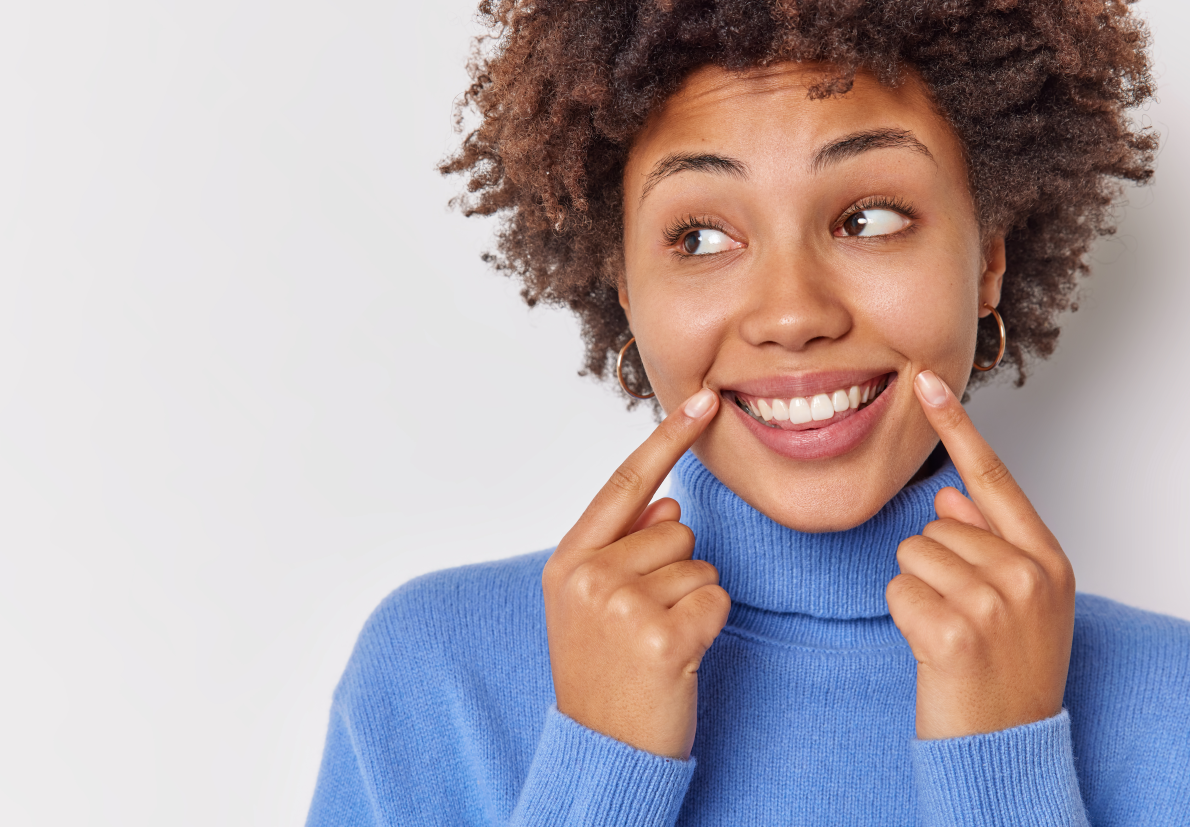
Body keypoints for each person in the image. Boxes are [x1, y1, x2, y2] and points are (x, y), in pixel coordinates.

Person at [307, 1, 1190, 824]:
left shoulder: (1166, 703)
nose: (792, 314)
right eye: (698, 237)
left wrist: (1004, 773)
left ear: (987, 256)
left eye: (869, 217)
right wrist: (599, 768)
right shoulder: (437, 675)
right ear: (624, 287)